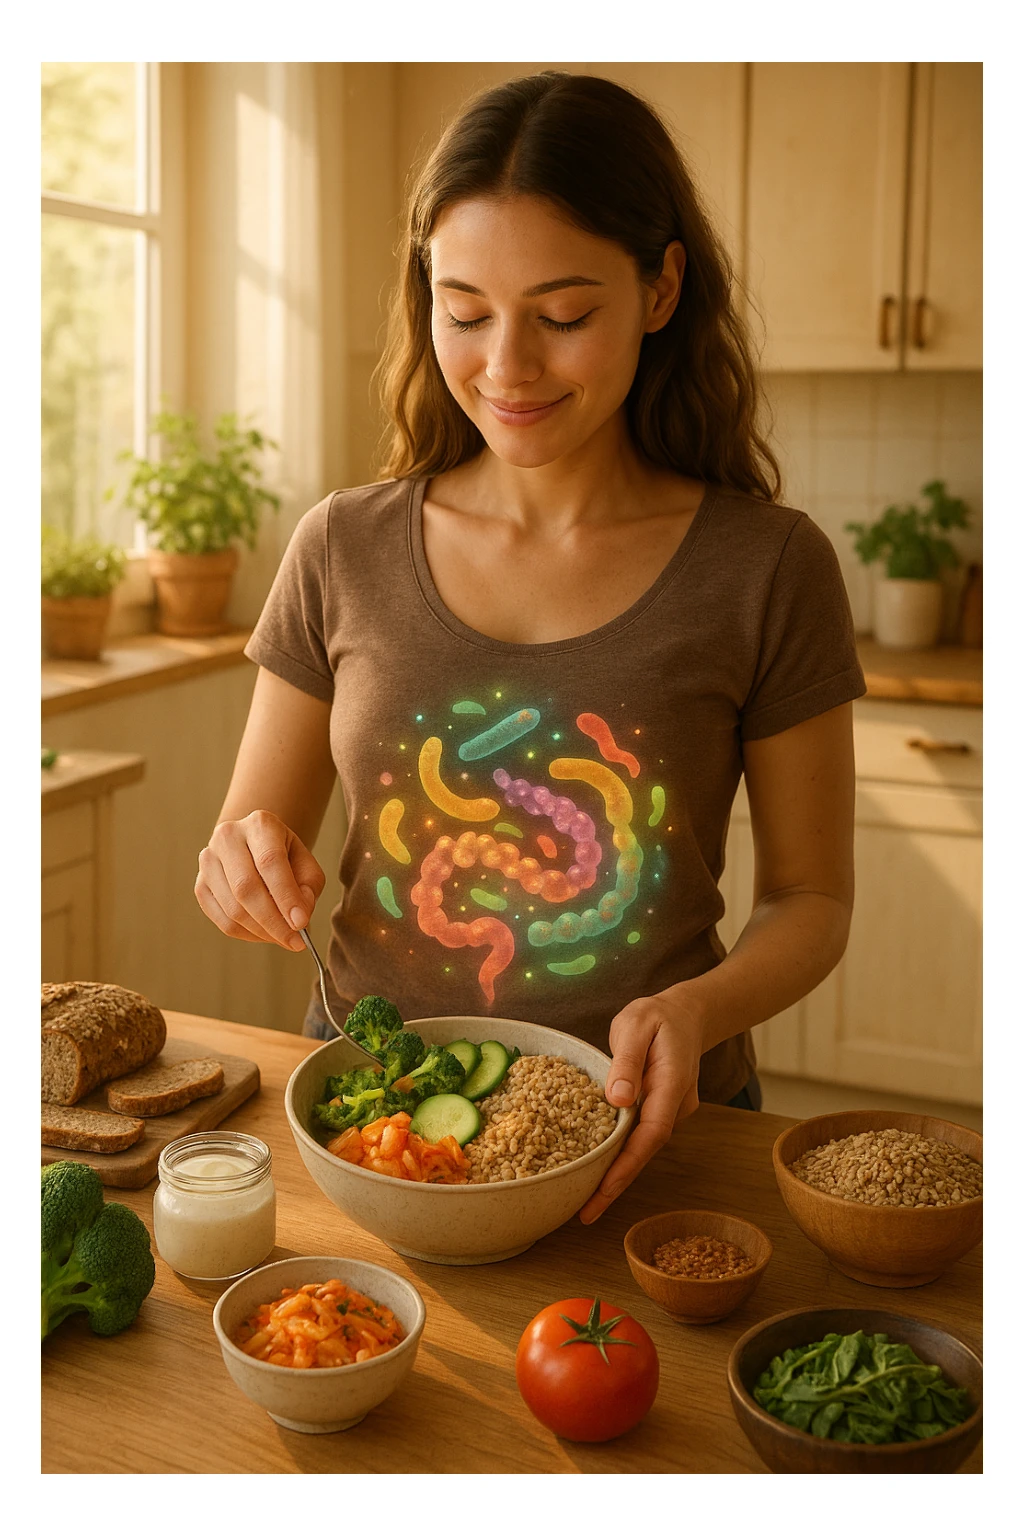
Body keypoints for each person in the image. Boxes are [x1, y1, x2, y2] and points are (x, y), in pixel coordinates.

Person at [195, 72, 864, 1224]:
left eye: (561, 316)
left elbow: (811, 897)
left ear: (659, 288)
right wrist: (239, 866)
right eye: (463, 311)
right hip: (379, 1116)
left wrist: (700, 1009)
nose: (506, 365)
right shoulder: (341, 545)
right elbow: (248, 841)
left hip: (657, 1131)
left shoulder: (766, 566)